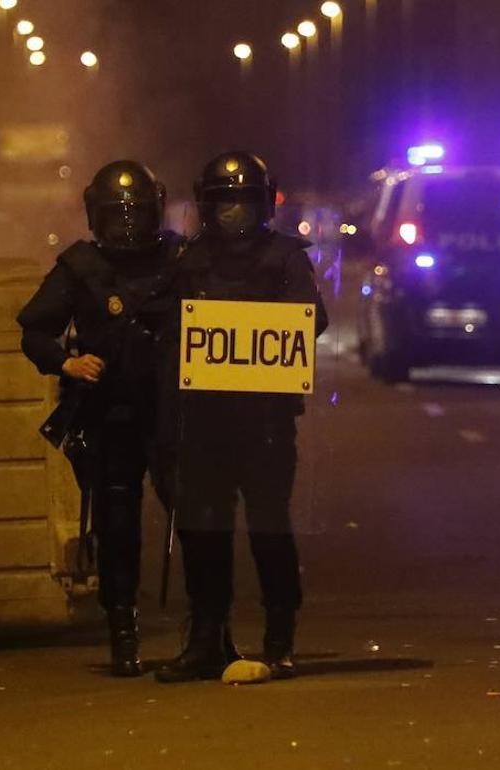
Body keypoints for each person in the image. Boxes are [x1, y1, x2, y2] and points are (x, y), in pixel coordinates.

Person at [155, 152, 328, 683]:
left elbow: (312, 319)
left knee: (269, 527)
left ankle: (280, 637)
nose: (234, 212)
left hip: (265, 422)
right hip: (206, 422)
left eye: (243, 201)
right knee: (204, 531)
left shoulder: (285, 258)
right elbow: (166, 326)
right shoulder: (190, 259)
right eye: (224, 202)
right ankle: (208, 637)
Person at [17, 161, 181, 677]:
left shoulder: (180, 258)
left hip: (172, 409)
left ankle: (208, 630)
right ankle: (123, 629)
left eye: (137, 214)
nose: (129, 226)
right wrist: (66, 362)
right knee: (116, 526)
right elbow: (35, 331)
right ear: (96, 217)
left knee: (197, 519)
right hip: (112, 412)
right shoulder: (79, 267)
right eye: (118, 216)